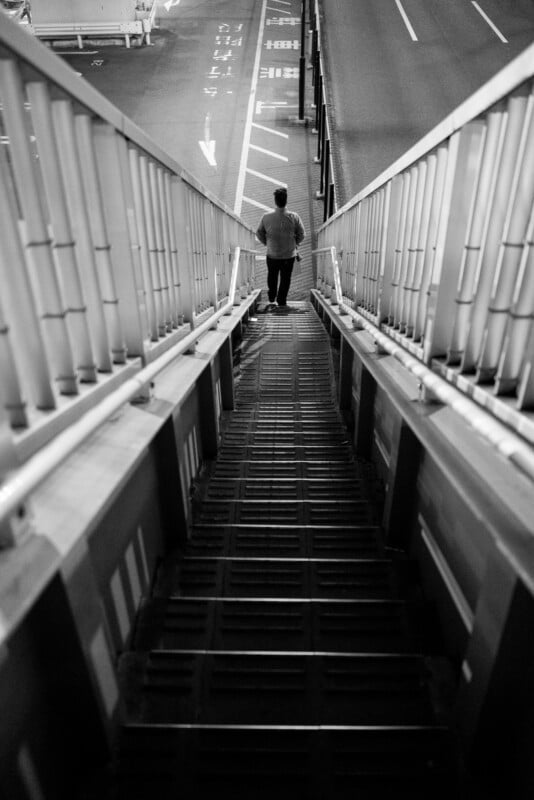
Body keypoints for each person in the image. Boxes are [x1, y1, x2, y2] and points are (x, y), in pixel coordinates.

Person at [256, 187, 305, 308]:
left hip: (272, 254)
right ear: (286, 201)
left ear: (275, 201)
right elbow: (302, 234)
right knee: (285, 278)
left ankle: (272, 295)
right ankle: (282, 300)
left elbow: (259, 233)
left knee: (272, 276)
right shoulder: (294, 217)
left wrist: (267, 243)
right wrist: (294, 243)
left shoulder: (266, 217)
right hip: (289, 255)